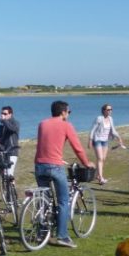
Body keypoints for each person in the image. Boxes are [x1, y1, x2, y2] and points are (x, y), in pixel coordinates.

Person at [34, 100, 94, 248]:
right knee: (63, 201)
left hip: (39, 165)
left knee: (44, 200)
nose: (69, 114)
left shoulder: (42, 124)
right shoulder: (66, 125)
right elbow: (77, 148)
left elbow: (46, 143)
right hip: (54, 166)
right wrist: (86, 163)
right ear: (63, 112)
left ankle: (41, 233)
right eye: (69, 112)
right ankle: (62, 236)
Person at [88, 103, 124, 185]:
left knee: (103, 159)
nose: (110, 111)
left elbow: (113, 130)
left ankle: (97, 174)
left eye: (111, 109)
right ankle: (101, 178)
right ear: (103, 110)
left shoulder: (110, 119)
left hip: (105, 141)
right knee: (100, 158)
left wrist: (119, 138)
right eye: (108, 109)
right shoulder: (99, 118)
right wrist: (90, 140)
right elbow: (92, 130)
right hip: (97, 140)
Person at [0, 105, 20, 177]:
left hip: (12, 152)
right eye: (2, 113)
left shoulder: (15, 123)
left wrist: (4, 121)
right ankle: (6, 188)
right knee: (3, 174)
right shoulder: (2, 126)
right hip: (3, 153)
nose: (3, 115)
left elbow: (12, 129)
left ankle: (12, 187)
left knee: (9, 174)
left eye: (5, 114)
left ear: (10, 114)